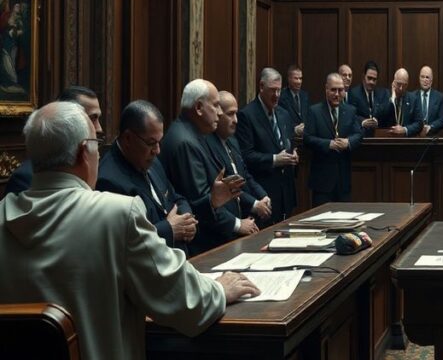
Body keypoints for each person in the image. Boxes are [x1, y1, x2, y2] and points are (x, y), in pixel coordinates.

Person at [0, 101, 259, 360]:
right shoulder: (117, 214)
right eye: (96, 146)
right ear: (83, 153)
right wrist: (220, 290)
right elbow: (185, 301)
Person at [98, 100, 204, 253]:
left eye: (159, 142)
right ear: (128, 138)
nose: (157, 150)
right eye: (151, 143)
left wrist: (187, 220)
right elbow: (125, 241)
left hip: (180, 260)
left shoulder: (151, 160)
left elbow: (175, 197)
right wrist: (169, 229)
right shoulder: (108, 180)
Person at [160, 79, 246, 253]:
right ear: (198, 108)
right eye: (215, 105)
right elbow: (197, 203)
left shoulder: (195, 135)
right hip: (203, 246)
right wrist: (234, 224)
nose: (220, 113)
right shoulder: (185, 142)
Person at [6, 85, 104, 195]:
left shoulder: (91, 164)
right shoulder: (25, 178)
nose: (99, 128)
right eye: (92, 118)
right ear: (67, 119)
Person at [237, 68, 300, 223]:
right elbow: (246, 155)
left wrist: (293, 155)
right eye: (272, 90)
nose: (277, 95)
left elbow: (288, 144)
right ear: (261, 87)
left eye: (279, 90)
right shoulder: (247, 115)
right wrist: (274, 159)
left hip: (286, 193)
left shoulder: (284, 114)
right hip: (264, 193)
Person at [205, 91, 270, 231]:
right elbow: (228, 185)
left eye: (236, 114)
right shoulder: (208, 145)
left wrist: (262, 195)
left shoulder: (233, 141)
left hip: (245, 218)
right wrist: (255, 204)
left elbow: (245, 175)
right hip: (224, 226)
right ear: (218, 113)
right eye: (230, 114)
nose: (236, 120)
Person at [305, 73, 362, 204]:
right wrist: (328, 144)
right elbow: (307, 138)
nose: (337, 94)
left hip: (343, 182)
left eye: (340, 90)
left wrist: (348, 142)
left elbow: (359, 134)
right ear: (326, 89)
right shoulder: (315, 111)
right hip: (322, 183)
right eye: (333, 90)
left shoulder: (350, 110)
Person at [376, 68, 423, 137]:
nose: (401, 88)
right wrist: (392, 98)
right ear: (394, 82)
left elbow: (419, 123)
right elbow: (379, 117)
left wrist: (404, 130)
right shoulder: (384, 95)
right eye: (399, 84)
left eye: (404, 85)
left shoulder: (413, 99)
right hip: (387, 140)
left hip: (406, 142)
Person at [349, 61, 388, 134]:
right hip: (360, 136)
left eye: (374, 79)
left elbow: (386, 115)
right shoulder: (354, 93)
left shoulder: (383, 94)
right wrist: (363, 122)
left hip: (379, 136)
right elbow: (351, 115)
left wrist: (377, 121)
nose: (371, 82)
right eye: (369, 78)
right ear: (363, 77)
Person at [278, 64, 309, 136]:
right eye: (296, 78)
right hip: (290, 137)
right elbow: (281, 120)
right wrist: (295, 129)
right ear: (289, 79)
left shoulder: (305, 96)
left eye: (300, 78)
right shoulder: (281, 97)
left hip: (304, 138)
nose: (299, 82)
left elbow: (308, 116)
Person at [417, 66, 443, 137]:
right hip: (416, 137)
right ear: (419, 79)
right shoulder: (412, 96)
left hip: (433, 137)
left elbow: (442, 119)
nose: (425, 80)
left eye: (427, 77)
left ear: (431, 80)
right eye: (422, 77)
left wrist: (430, 127)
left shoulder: (439, 97)